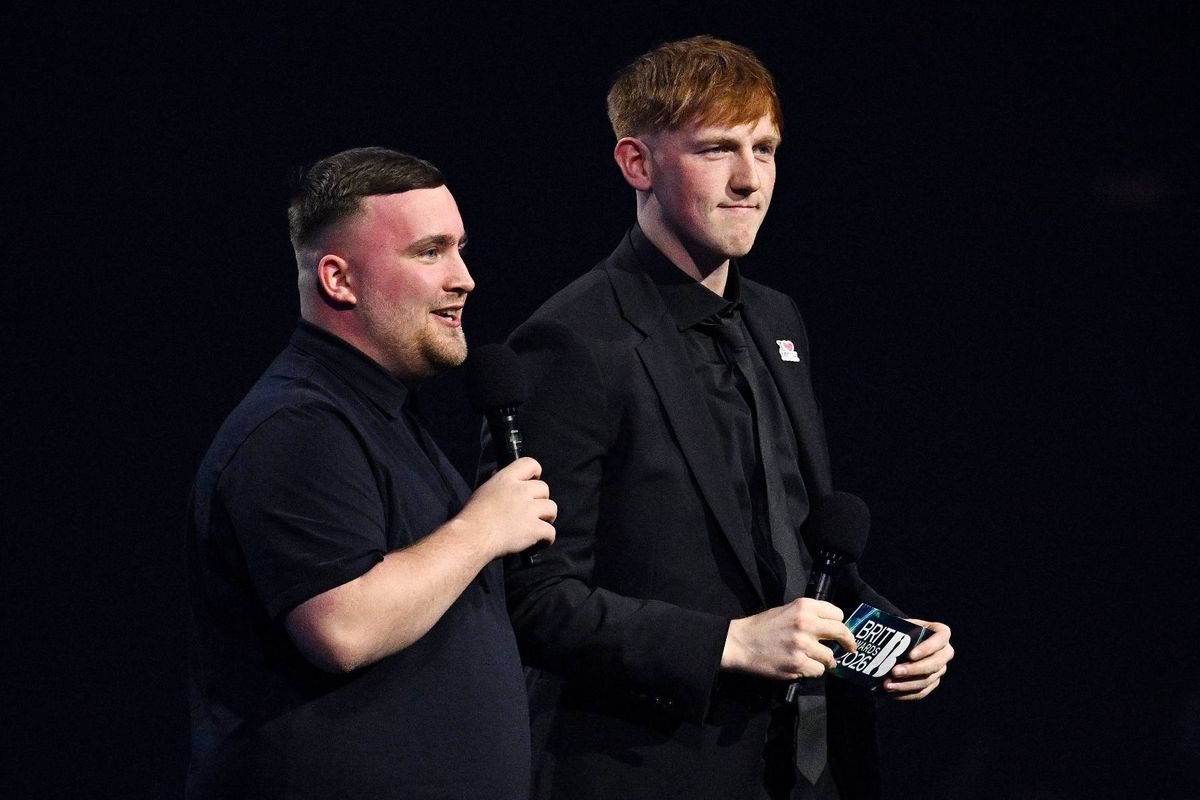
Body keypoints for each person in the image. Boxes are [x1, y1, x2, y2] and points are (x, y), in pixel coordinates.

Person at [498, 37, 954, 799]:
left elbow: (798, 549)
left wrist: (888, 633)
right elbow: (531, 600)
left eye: (765, 148)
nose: (750, 179)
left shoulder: (778, 319)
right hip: (651, 768)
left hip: (808, 768)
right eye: (717, 149)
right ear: (636, 164)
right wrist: (729, 645)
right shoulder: (571, 342)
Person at [186, 147, 556, 799]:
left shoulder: (381, 419)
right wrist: (483, 528)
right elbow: (344, 627)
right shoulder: (296, 426)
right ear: (338, 279)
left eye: (461, 248)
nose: (463, 277)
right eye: (429, 251)